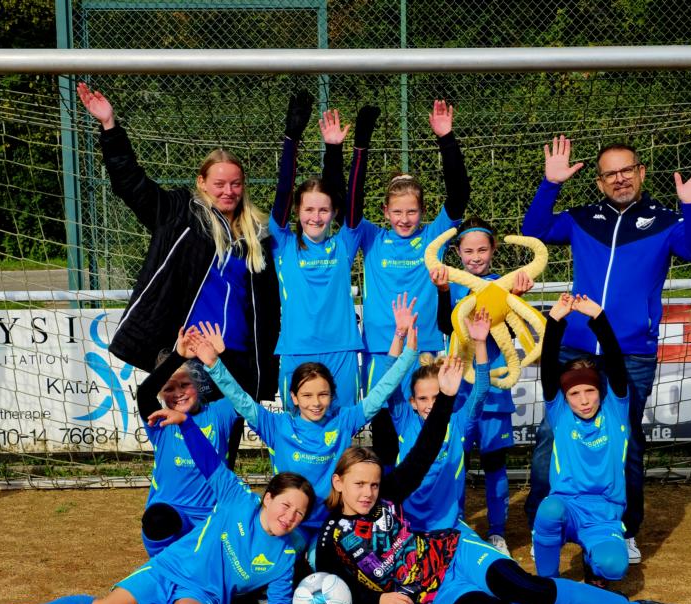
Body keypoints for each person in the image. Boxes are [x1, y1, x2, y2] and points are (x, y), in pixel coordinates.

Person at [316, 390, 691, 604]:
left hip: (454, 551)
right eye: (358, 484)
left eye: (373, 484)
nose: (368, 492)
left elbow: (426, 448)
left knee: (523, 589)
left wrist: (446, 395)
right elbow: (334, 583)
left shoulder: (389, 494)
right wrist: (377, 602)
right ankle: (576, 603)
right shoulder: (330, 538)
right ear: (338, 482)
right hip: (436, 593)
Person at [522, 136, 691, 563]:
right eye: (610, 174)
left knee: (625, 440)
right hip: (574, 347)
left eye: (627, 170)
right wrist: (550, 184)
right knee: (551, 434)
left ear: (641, 172)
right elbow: (533, 231)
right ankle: (543, 522)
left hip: (631, 353)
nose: (620, 179)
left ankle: (624, 528)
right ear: (599, 181)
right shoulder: (582, 219)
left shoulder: (665, 221)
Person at [77, 82, 281, 467]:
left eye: (235, 184)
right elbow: (132, 185)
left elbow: (267, 309)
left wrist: (264, 365)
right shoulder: (180, 214)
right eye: (219, 183)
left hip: (235, 357)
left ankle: (217, 506)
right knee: (185, 450)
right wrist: (110, 127)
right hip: (188, 355)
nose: (228, 191)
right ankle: (182, 503)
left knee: (223, 453)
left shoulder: (258, 236)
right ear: (202, 183)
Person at [0, 415, 316, 604]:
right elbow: (209, 462)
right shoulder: (238, 500)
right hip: (169, 569)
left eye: (299, 513)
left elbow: (279, 602)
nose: (290, 516)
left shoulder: (287, 553)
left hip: (203, 596)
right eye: (285, 505)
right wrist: (186, 424)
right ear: (268, 498)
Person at [187, 311, 418, 560]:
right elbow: (239, 398)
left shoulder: (343, 421)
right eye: (307, 395)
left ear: (332, 396)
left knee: (324, 565)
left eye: (323, 395)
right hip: (290, 523)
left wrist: (408, 351)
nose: (316, 403)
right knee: (267, 559)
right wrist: (214, 365)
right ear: (294, 398)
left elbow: (381, 391)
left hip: (330, 524)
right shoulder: (277, 425)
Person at [358, 100, 470, 466]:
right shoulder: (371, 237)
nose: (404, 219)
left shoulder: (433, 237)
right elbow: (350, 203)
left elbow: (459, 196)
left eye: (412, 211)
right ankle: (387, 494)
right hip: (380, 349)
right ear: (385, 212)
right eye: (397, 211)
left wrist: (446, 139)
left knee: (428, 426)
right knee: (385, 428)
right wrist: (361, 145)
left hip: (426, 348)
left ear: (422, 211)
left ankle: (431, 491)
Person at [431, 216, 535, 553]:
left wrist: (516, 295)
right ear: (457, 253)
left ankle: (497, 532)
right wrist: (442, 292)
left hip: (494, 392)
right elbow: (444, 326)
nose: (475, 257)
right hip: (459, 393)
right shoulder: (452, 283)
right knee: (455, 463)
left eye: (482, 250)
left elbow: (516, 327)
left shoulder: (502, 286)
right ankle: (456, 526)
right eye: (468, 251)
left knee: (494, 464)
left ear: (493, 250)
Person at [270, 94, 380, 408]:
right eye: (308, 209)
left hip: (341, 350)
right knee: (298, 429)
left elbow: (354, 198)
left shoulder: (343, 243)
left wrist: (358, 147)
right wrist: (292, 138)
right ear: (297, 211)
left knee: (341, 428)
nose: (315, 217)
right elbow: (283, 190)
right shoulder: (283, 243)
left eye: (323, 210)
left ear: (333, 213)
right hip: (296, 350)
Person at [533, 293, 631, 587]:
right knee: (548, 510)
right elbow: (548, 368)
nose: (584, 400)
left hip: (604, 512)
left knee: (613, 567)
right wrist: (554, 321)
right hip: (568, 506)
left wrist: (598, 317)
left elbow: (615, 362)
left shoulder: (615, 412)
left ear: (601, 391)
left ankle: (593, 564)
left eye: (590, 391)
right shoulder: (560, 413)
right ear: (565, 397)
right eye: (575, 394)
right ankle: (548, 585)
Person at [386, 294, 491, 534]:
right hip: (406, 526)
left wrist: (480, 343)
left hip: (449, 526)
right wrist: (399, 335)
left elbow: (481, 390)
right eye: (423, 398)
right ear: (412, 402)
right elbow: (389, 382)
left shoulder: (458, 423)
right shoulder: (405, 421)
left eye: (437, 397)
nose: (430, 405)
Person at [135, 328, 240, 557]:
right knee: (157, 519)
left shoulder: (220, 413)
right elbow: (144, 394)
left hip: (211, 517)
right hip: (171, 516)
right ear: (161, 394)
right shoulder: (160, 421)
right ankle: (163, 565)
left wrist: (221, 357)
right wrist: (178, 356)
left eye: (184, 385)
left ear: (197, 384)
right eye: (169, 389)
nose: (178, 393)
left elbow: (242, 391)